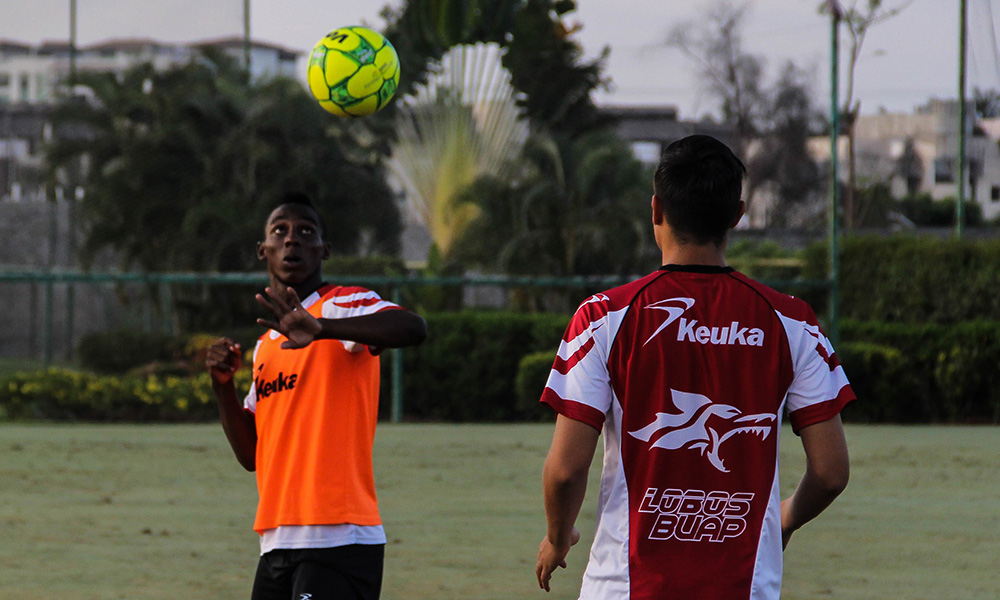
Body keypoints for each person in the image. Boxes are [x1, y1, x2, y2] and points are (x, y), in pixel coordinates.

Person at [535, 135, 853, 599]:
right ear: (738, 216)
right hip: (745, 587)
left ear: (656, 210)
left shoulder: (602, 317)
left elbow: (565, 470)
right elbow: (831, 472)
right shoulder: (792, 322)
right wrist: (784, 519)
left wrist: (557, 536)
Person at [206, 191, 427, 600]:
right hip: (275, 543)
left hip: (339, 539)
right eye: (280, 231)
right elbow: (251, 456)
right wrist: (222, 389)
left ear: (324, 249)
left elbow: (412, 328)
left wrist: (324, 328)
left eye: (306, 232)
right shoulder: (265, 346)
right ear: (263, 250)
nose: (292, 240)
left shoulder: (342, 305)